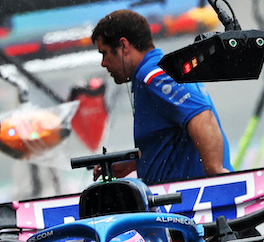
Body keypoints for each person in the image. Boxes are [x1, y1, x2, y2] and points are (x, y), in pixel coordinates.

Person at [91, 9, 231, 184]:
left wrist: (217, 174)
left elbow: (201, 116)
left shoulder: (153, 75)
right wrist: (133, 163)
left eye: (104, 53)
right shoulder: (156, 73)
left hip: (190, 204)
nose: (103, 63)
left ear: (124, 46)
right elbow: (170, 140)